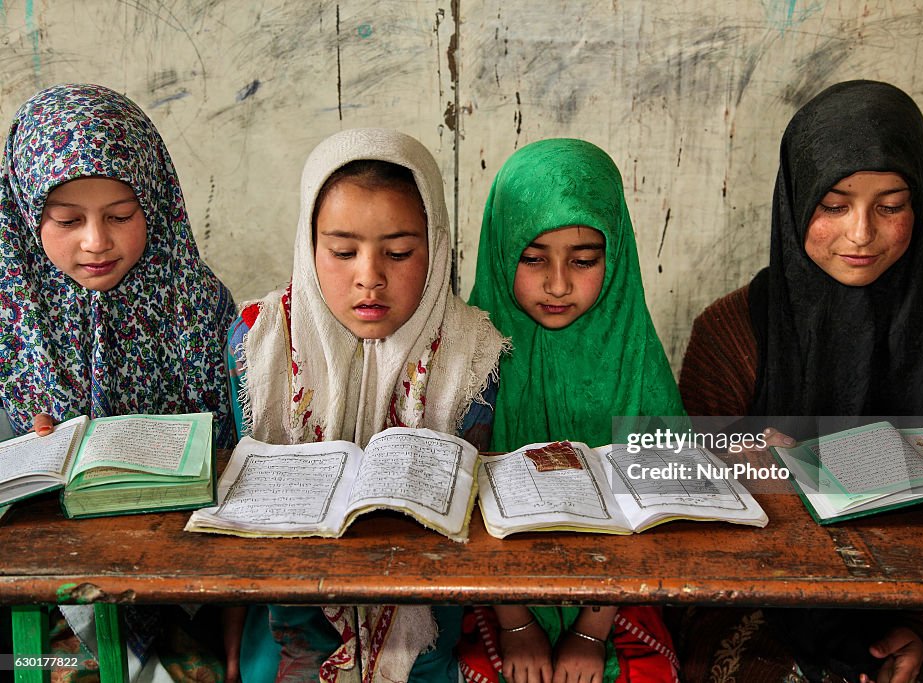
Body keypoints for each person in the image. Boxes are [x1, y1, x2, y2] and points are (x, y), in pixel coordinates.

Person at [678, 80, 923, 683]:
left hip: (914, 604)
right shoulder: (731, 334)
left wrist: (922, 633)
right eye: (833, 205)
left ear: (922, 204)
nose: (861, 233)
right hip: (759, 603)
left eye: (890, 205)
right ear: (796, 200)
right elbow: (698, 515)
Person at [224, 127, 506, 683]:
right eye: (343, 251)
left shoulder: (472, 352)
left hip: (425, 624)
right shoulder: (259, 343)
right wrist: (227, 642)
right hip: (288, 623)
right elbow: (238, 508)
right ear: (308, 245)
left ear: (438, 245)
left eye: (399, 252)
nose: (369, 278)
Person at [0, 83, 236, 681]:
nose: (96, 241)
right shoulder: (10, 326)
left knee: (201, 672)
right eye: (67, 220)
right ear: (28, 216)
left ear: (155, 204)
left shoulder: (199, 307)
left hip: (180, 586)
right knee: (35, 670)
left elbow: (235, 454)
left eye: (122, 216)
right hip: (36, 606)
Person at [460, 138, 684, 683]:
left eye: (584, 260)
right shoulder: (465, 358)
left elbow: (659, 503)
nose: (557, 284)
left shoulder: (636, 358)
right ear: (499, 249)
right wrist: (515, 623)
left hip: (619, 592)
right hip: (492, 589)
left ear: (618, 253)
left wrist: (590, 632)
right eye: (532, 258)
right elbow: (457, 505)